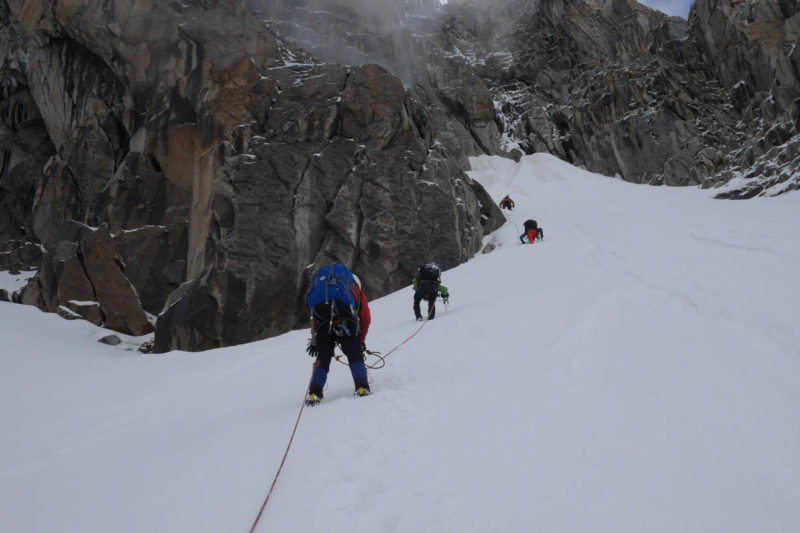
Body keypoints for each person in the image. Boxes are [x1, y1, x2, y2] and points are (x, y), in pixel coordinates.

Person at [305, 263, 371, 406]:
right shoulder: (355, 290)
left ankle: (314, 394)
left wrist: (315, 339)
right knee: (354, 353)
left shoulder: (323, 290)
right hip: (346, 322)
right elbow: (365, 318)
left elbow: (315, 317)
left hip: (323, 325)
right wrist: (361, 342)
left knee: (323, 357)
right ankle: (361, 387)